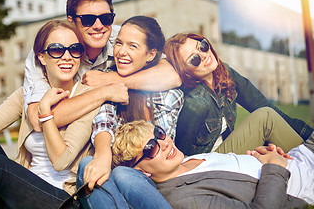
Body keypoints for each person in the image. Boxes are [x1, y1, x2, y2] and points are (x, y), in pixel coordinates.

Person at [0, 20, 108, 208]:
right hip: (23, 192)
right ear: (41, 58)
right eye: (57, 50)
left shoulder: (88, 97)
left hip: (64, 201)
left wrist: (45, 111)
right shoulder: (27, 95)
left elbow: (62, 160)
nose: (67, 56)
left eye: (74, 49)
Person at [24, 0, 181, 133]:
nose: (98, 26)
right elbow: (38, 121)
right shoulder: (50, 50)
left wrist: (110, 79)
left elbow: (172, 77)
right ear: (71, 21)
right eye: (88, 19)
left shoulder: (121, 38)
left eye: (106, 18)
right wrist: (104, 92)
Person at [76, 16, 183, 208]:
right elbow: (103, 122)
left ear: (150, 55)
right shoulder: (108, 88)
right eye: (118, 43)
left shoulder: (168, 95)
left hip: (153, 178)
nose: (121, 52)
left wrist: (111, 80)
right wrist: (102, 155)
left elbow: (160, 148)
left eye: (132, 46)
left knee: (122, 174)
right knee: (88, 164)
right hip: (115, 180)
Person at [164, 32, 314, 155]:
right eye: (194, 59)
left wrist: (309, 135)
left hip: (228, 152)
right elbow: (183, 155)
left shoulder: (224, 73)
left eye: (202, 46)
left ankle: (308, 154)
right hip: (209, 164)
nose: (203, 55)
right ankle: (309, 159)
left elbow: (263, 106)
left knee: (271, 133)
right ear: (186, 73)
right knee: (264, 118)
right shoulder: (194, 104)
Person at [112, 120, 314, 208]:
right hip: (305, 185)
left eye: (159, 134)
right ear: (141, 172)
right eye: (151, 148)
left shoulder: (187, 160)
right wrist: (275, 166)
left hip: (299, 157)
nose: (164, 143)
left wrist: (264, 154)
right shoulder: (184, 200)